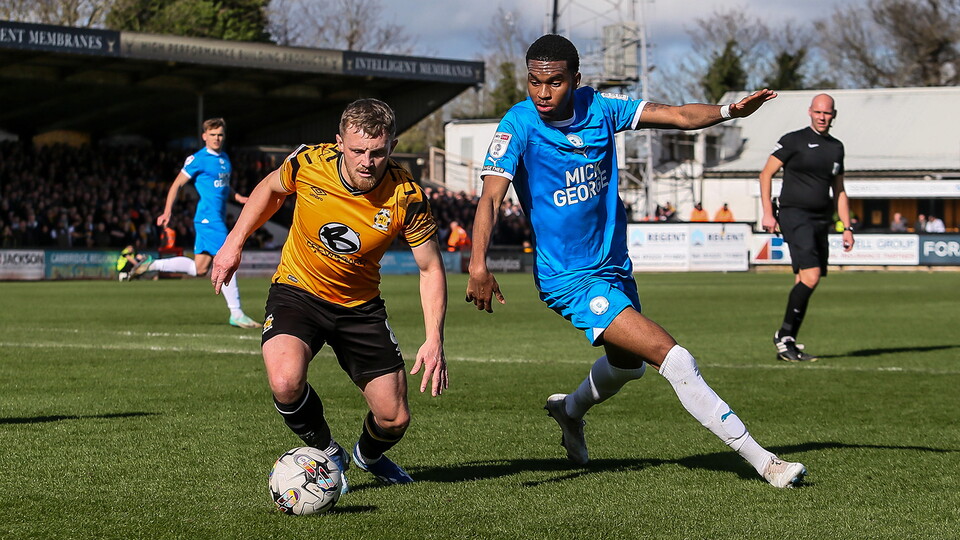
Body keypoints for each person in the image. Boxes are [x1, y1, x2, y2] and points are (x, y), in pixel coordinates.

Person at [466, 34, 805, 488]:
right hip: (569, 277)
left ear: (576, 80)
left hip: (614, 267)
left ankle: (568, 410)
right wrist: (477, 265)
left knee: (628, 367)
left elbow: (680, 116)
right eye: (534, 82)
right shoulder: (518, 125)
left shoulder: (602, 108)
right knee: (675, 359)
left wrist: (730, 112)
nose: (543, 93)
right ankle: (765, 462)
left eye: (555, 82)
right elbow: (490, 197)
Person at [211, 98, 448, 493]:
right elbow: (270, 190)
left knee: (394, 419)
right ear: (339, 142)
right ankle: (328, 453)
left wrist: (434, 338)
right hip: (297, 291)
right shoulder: (309, 163)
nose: (367, 161)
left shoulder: (407, 196)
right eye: (357, 151)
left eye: (377, 152)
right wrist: (234, 242)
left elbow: (430, 268)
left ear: (391, 146)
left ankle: (367, 456)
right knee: (285, 381)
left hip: (360, 307)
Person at [759, 93, 854, 363]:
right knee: (810, 276)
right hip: (793, 215)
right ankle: (783, 336)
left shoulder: (837, 147)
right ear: (810, 112)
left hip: (820, 219)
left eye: (828, 113)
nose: (823, 117)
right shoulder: (794, 140)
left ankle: (787, 342)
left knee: (805, 279)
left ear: (833, 115)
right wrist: (768, 212)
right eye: (818, 112)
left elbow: (839, 189)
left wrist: (847, 226)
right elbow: (765, 173)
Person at [142, 118, 260, 328]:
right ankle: (237, 313)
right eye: (213, 135)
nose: (217, 138)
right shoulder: (198, 159)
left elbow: (223, 187)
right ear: (204, 136)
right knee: (228, 258)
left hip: (215, 218)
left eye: (220, 135)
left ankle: (152, 264)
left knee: (200, 268)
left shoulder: (224, 158)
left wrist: (238, 197)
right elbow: (176, 185)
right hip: (209, 218)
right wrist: (167, 211)